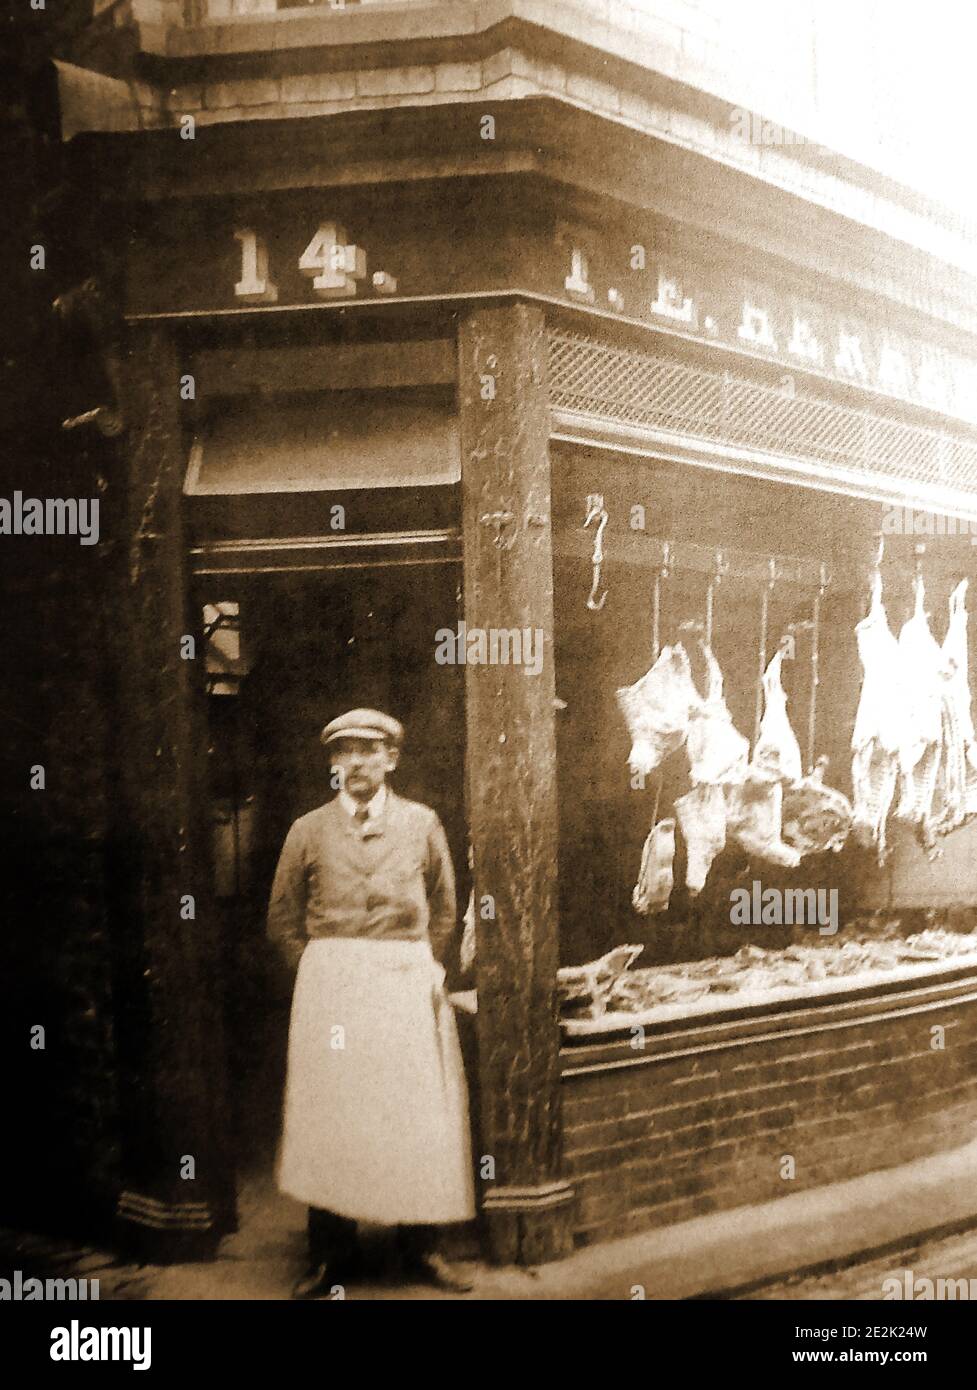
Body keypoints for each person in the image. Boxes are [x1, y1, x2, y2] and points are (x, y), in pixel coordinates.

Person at [267, 708, 475, 1297]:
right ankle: (330, 1255)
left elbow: (444, 907)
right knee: (334, 1111)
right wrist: (318, 972)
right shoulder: (307, 830)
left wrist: (423, 967)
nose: (356, 761)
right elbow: (281, 919)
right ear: (333, 764)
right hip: (333, 984)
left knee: (412, 1111)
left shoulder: (421, 823)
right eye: (344, 752)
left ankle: (422, 1248)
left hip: (404, 979)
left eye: (368, 749)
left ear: (391, 759)